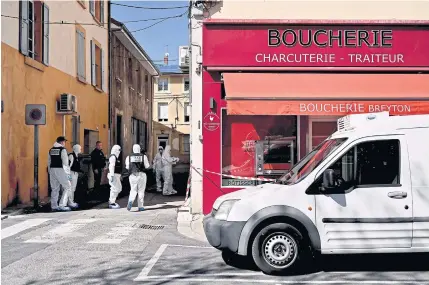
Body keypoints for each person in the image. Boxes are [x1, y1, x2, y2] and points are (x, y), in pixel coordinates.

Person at [48, 136, 72, 212]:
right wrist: (68, 175)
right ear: (62, 142)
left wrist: (49, 171)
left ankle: (54, 206)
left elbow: (49, 162)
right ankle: (62, 205)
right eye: (64, 142)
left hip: (52, 170)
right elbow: (65, 163)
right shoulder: (63, 150)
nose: (64, 143)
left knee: (54, 188)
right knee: (68, 187)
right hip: (61, 170)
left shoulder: (51, 150)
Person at [126, 144, 150, 211]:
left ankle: (131, 200)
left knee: (133, 190)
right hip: (141, 175)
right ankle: (140, 206)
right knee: (141, 191)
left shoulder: (129, 157)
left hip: (132, 175)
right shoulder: (143, 156)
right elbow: (147, 166)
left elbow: (127, 167)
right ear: (139, 149)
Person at [107, 145, 122, 209]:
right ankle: (111, 202)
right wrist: (112, 175)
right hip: (114, 175)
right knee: (114, 188)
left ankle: (112, 201)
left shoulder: (116, 157)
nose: (119, 152)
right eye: (119, 150)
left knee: (118, 188)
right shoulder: (113, 157)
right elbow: (111, 166)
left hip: (116, 175)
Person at [67, 144, 82, 209]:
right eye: (80, 148)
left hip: (75, 173)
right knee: (70, 188)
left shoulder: (76, 156)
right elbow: (68, 166)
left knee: (73, 188)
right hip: (71, 173)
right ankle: (70, 202)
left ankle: (71, 201)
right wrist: (68, 176)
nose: (80, 150)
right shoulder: (71, 156)